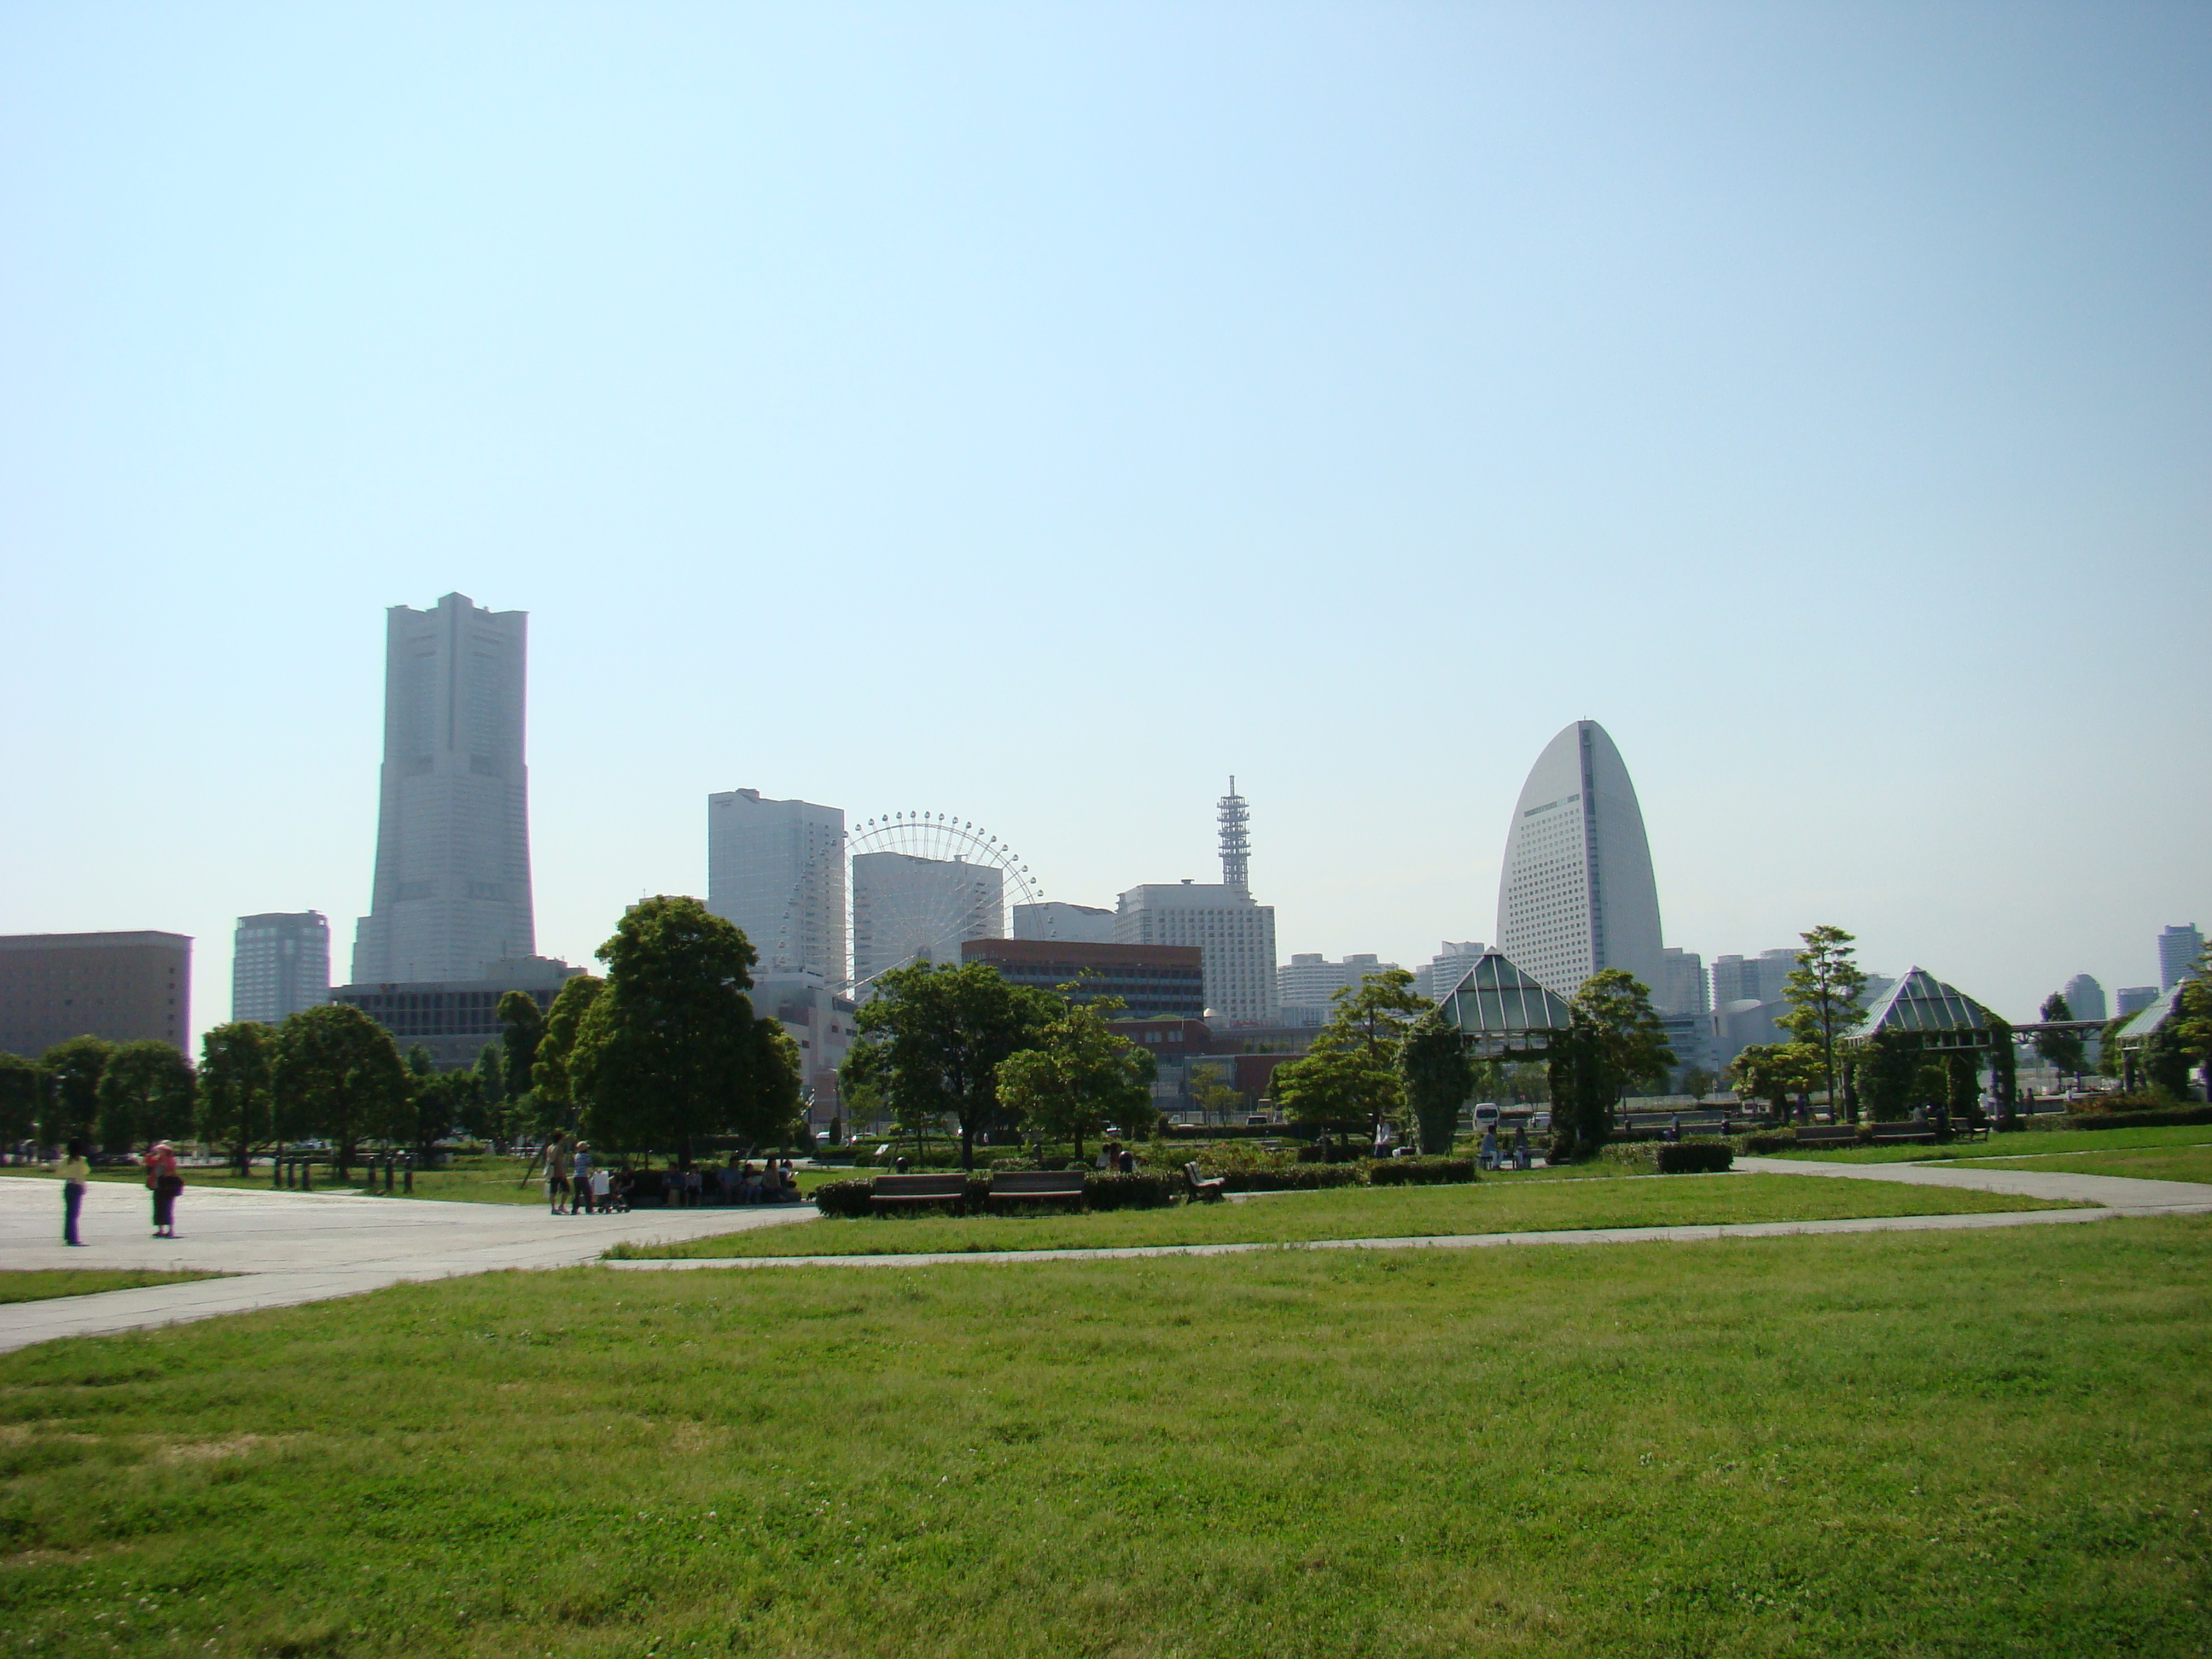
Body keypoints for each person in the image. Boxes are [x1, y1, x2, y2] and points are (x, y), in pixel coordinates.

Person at [143, 1140, 182, 1238]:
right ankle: (160, 1229)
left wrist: (163, 1157)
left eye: (162, 1150)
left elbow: (168, 1168)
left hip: (167, 1187)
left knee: (167, 1208)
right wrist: (151, 1154)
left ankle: (170, 1230)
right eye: (159, 1150)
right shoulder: (157, 1159)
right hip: (158, 1186)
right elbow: (148, 1162)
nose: (160, 1152)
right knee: (158, 1208)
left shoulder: (170, 1160)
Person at [55, 1138, 90, 1246]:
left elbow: (59, 1173)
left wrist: (69, 1173)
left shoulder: (66, 1160)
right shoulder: (82, 1160)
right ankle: (73, 1238)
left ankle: (68, 1236)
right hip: (77, 1186)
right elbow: (85, 1172)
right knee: (74, 1214)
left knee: (69, 1213)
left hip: (69, 1185)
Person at [544, 1134, 572, 1215]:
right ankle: (561, 1205)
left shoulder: (549, 1147)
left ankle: (553, 1208)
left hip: (551, 1170)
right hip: (557, 1171)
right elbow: (559, 1161)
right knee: (566, 1189)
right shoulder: (559, 1148)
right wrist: (562, 1172)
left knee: (553, 1190)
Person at [571, 1141, 595, 1214]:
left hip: (576, 1176)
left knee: (577, 1193)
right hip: (583, 1176)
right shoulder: (586, 1156)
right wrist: (595, 1170)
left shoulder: (576, 1156)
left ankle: (575, 1209)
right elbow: (590, 1164)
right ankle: (589, 1208)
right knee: (587, 1193)